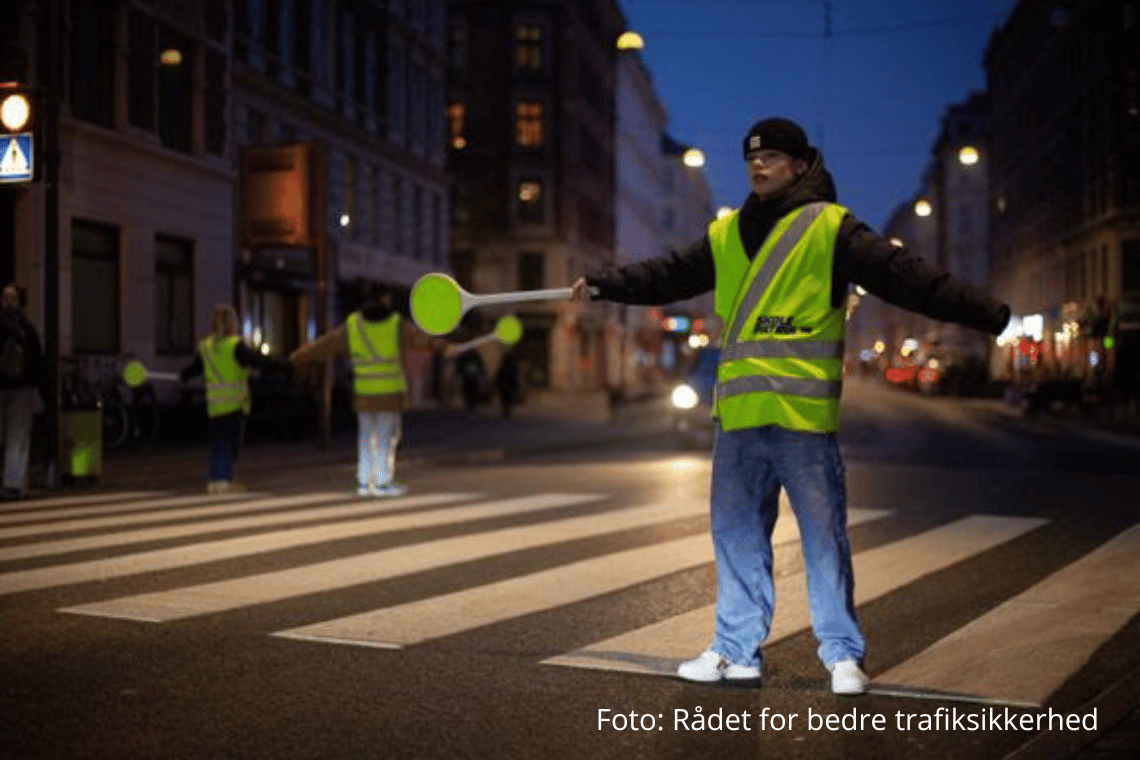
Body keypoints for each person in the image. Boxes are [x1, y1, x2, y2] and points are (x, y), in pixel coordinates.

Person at [570, 117, 1011, 696]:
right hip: (739, 421)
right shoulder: (727, 235)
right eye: (752, 157)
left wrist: (990, 315)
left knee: (823, 541)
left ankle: (843, 656)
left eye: (773, 157)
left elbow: (907, 278)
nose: (758, 165)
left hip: (802, 421)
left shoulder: (830, 229)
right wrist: (604, 285)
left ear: (801, 165)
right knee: (736, 540)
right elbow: (667, 275)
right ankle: (735, 653)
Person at [290, 281, 445, 498]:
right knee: (386, 437)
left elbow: (326, 345)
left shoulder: (353, 325)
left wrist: (300, 356)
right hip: (389, 392)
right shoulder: (395, 324)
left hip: (364, 392)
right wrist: (444, 347)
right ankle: (382, 482)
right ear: (384, 299)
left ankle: (364, 480)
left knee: (365, 437)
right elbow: (420, 339)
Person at [181, 303, 290, 494]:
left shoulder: (205, 347)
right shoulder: (235, 346)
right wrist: (284, 366)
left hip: (214, 405)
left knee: (218, 444)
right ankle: (224, 480)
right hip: (233, 404)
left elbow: (193, 369)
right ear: (233, 323)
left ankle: (215, 480)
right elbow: (258, 362)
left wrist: (183, 375)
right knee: (230, 445)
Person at [0, 283, 46, 501]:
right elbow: (37, 361)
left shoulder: (25, 329)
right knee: (17, 438)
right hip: (21, 388)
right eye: (6, 298)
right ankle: (13, 484)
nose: (8, 302)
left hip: (15, 388)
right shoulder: (27, 329)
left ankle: (12, 484)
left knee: (14, 437)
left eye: (12, 298)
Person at [456, 347, 486, 413]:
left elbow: (480, 366)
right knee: (470, 390)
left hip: (470, 376)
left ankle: (471, 403)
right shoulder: (473, 356)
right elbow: (480, 366)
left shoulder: (470, 356)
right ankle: (471, 404)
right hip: (470, 376)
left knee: (470, 390)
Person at [495, 348, 521, 418]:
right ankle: (507, 411)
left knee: (506, 398)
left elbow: (500, 375)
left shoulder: (506, 366)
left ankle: (506, 411)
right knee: (507, 397)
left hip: (506, 384)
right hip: (508, 384)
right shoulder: (510, 366)